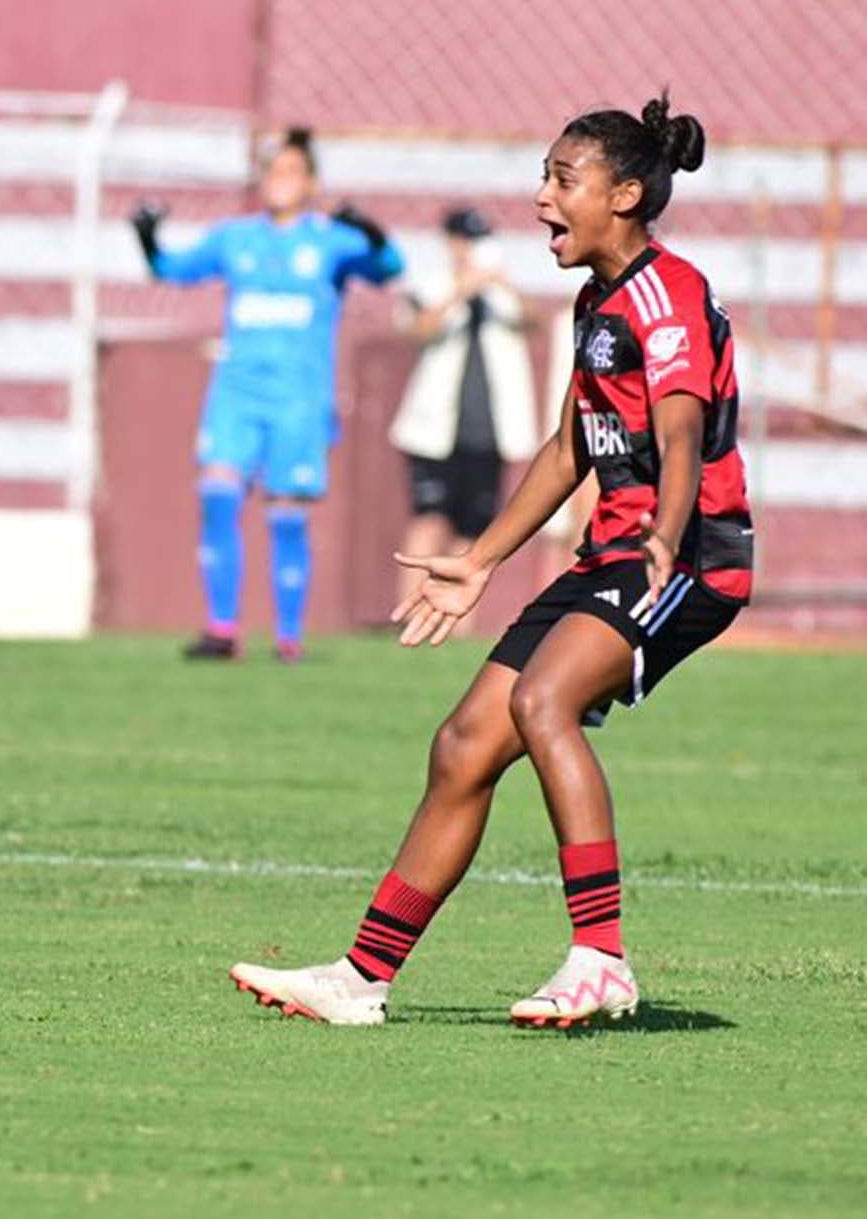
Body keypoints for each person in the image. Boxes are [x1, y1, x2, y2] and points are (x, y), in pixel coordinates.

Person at [229, 93, 744, 1028]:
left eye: (563, 179)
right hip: (615, 552)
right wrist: (480, 561)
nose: (542, 197)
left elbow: (680, 432)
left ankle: (601, 958)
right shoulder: (599, 300)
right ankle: (362, 977)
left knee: (541, 702)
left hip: (686, 558)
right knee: (464, 744)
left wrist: (667, 531)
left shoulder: (665, 296)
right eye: (544, 176)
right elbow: (569, 447)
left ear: (625, 195)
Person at [131, 127, 406, 662]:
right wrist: (146, 234)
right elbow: (169, 269)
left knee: (286, 513)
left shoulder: (329, 240)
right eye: (272, 171)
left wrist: (369, 229)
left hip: (299, 399)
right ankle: (222, 629)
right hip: (236, 394)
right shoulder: (235, 238)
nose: (279, 181)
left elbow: (390, 267)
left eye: (291, 172)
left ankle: (288, 637)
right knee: (217, 493)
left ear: (311, 182)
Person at [390, 207, 540, 610]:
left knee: (473, 527)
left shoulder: (500, 293)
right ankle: (408, 610)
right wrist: (459, 291)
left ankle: (453, 617)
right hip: (434, 429)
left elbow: (533, 321)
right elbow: (418, 329)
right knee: (428, 516)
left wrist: (499, 284)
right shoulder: (432, 284)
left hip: (488, 429)